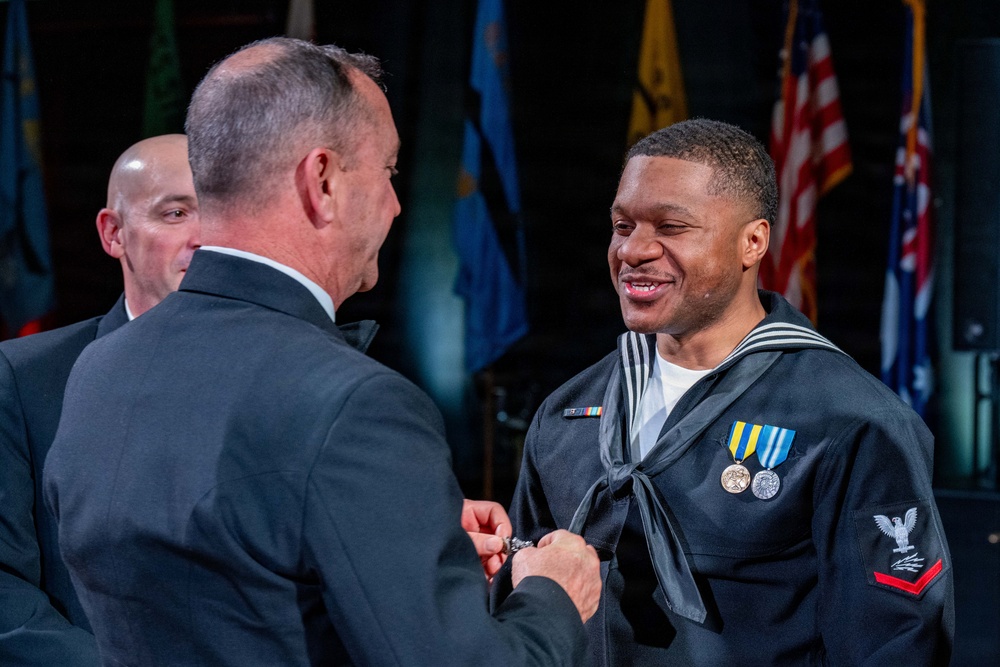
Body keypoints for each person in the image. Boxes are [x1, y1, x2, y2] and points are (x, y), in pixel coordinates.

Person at [44, 37, 600, 666]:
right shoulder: (358, 405)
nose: (395, 205)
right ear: (323, 181)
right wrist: (554, 595)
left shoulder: (101, 366)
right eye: (388, 171)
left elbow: (225, 576)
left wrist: (403, 534)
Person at [502, 119, 954, 665]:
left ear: (753, 242)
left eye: (671, 227)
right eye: (623, 226)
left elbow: (896, 643)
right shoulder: (568, 414)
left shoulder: (851, 423)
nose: (633, 250)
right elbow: (523, 611)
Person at [0, 133, 199, 665]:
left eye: (220, 214)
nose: (203, 237)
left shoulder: (292, 375)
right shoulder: (25, 379)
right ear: (114, 233)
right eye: (176, 213)